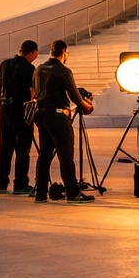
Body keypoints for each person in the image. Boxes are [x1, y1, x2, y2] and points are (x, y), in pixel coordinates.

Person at [32, 38, 94, 204]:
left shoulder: (38, 69)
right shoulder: (63, 71)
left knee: (44, 156)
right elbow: (75, 96)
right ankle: (73, 193)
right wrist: (86, 105)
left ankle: (40, 194)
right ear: (64, 52)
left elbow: (34, 92)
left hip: (41, 116)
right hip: (58, 116)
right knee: (65, 156)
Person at [0, 40, 38, 197]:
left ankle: (1, 183)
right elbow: (32, 91)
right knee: (22, 148)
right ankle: (20, 184)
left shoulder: (5, 64)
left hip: (5, 108)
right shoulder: (29, 68)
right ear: (32, 52)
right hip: (20, 110)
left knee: (4, 147)